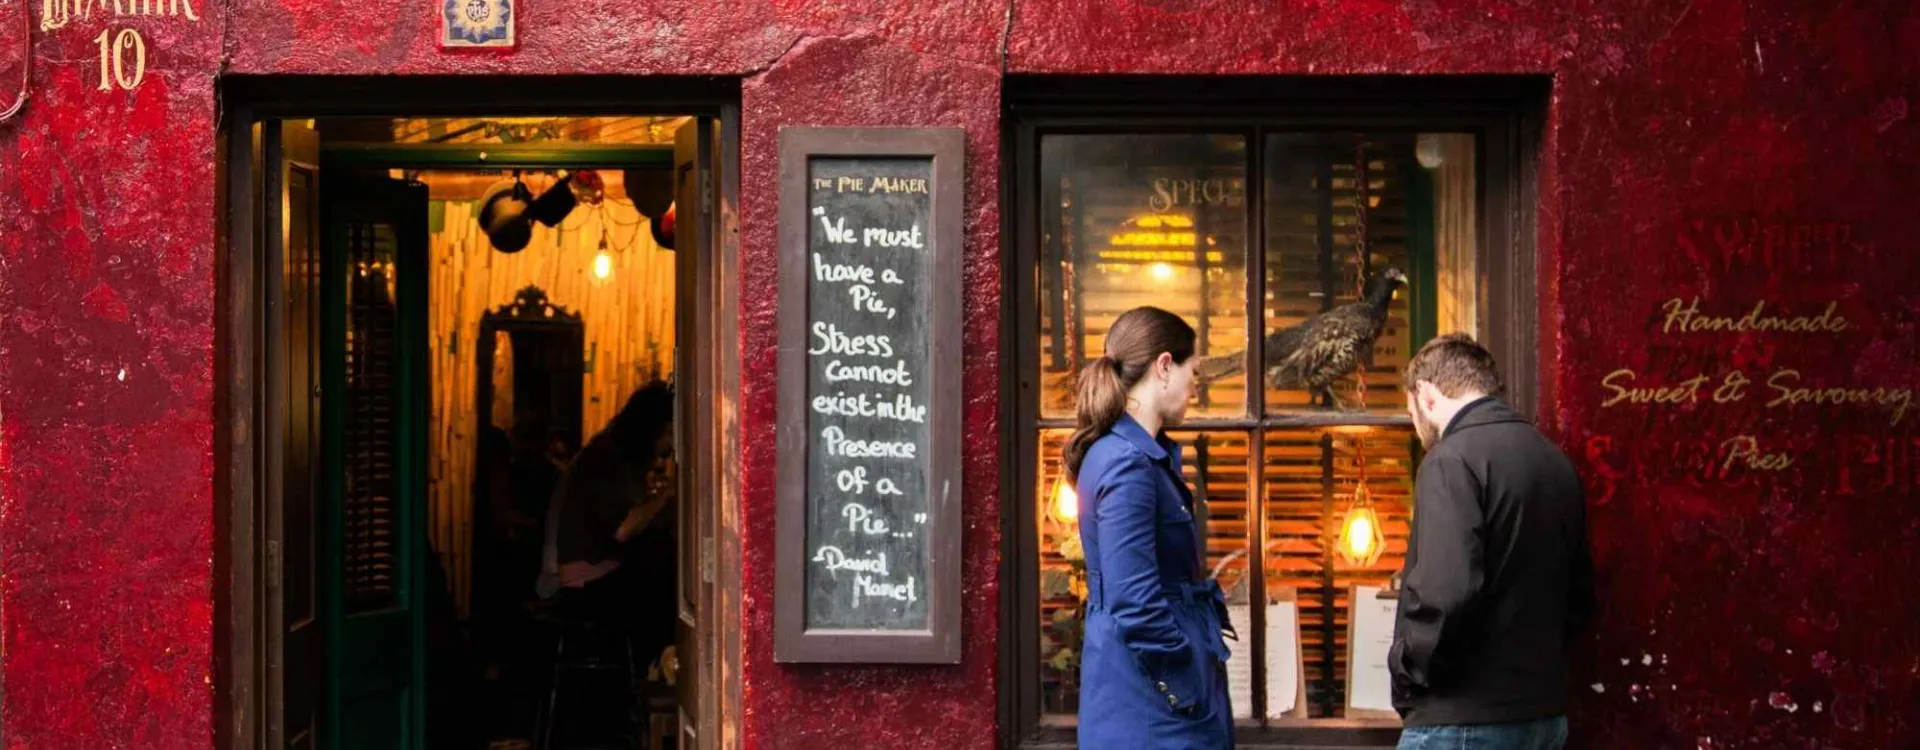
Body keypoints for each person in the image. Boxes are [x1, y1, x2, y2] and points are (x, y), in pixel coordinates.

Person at [1390, 334, 1594, 750]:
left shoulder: (1449, 459)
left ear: (1425, 394)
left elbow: (1447, 592)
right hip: (1542, 717)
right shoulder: (1555, 461)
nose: (1415, 427)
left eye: (1409, 410)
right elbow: (1579, 597)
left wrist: (1408, 669)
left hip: (1461, 720)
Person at [1068, 307, 1233, 750]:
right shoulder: (1127, 464)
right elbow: (1135, 601)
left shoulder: (1132, 455)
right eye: (1191, 372)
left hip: (1148, 704)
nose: (1194, 387)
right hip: (1153, 717)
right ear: (1164, 367)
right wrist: (1186, 683)